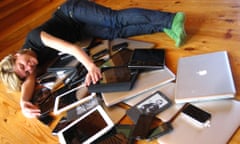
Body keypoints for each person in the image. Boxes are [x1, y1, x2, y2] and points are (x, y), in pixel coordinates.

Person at [0, 0, 186, 118]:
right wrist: (23, 103)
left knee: (114, 20)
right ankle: (161, 27)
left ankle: (171, 19)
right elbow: (29, 81)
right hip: (80, 31)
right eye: (25, 72)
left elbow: (71, 48)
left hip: (72, 12)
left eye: (23, 64)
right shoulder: (30, 68)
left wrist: (90, 66)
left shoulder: (35, 37)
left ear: (16, 54)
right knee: (116, 32)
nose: (29, 68)